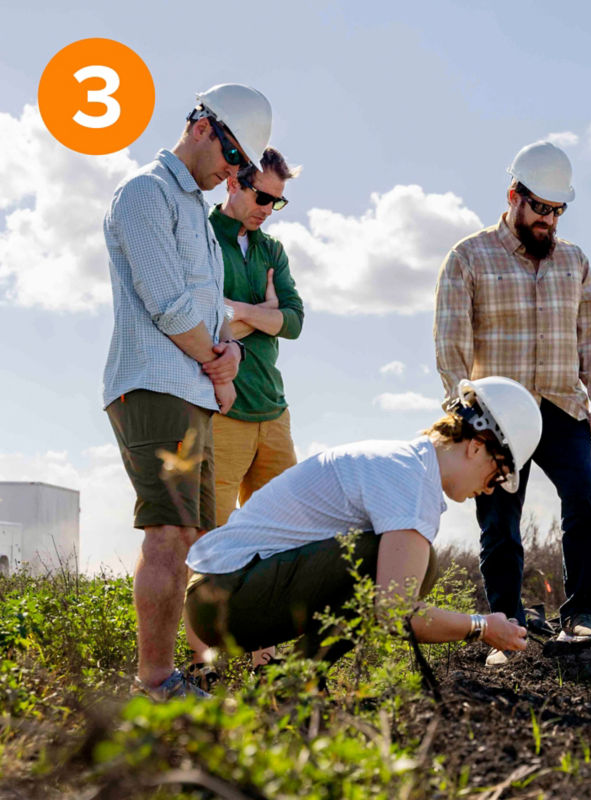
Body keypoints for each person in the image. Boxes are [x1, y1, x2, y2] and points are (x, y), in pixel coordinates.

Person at [102, 83, 272, 699]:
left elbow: (207, 311)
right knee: (169, 534)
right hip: (153, 387)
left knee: (201, 538)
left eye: (244, 166)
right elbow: (169, 307)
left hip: (190, 390)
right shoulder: (146, 194)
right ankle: (154, 682)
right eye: (233, 156)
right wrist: (219, 364)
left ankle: (206, 663)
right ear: (203, 126)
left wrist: (226, 354)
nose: (235, 171)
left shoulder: (196, 216)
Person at [184, 377, 542, 665]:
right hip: (225, 599)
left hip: (221, 595)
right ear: (477, 446)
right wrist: (482, 627)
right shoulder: (411, 479)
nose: (493, 489)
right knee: (384, 562)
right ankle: (297, 684)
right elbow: (396, 613)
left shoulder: (404, 465)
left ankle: (295, 680)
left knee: (417, 563)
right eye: (499, 473)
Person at [433, 141, 591, 665]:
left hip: (562, 407)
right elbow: (451, 345)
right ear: (514, 195)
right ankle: (505, 633)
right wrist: (462, 415)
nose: (548, 220)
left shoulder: (574, 262)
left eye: (557, 211)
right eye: (540, 208)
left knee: (583, 503)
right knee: (500, 524)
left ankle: (581, 617)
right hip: (497, 416)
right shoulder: (469, 257)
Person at [202, 147, 303, 674]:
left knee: (279, 539)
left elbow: (296, 319)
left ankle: (261, 650)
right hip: (223, 411)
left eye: (277, 201)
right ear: (232, 183)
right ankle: (204, 656)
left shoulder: (273, 250)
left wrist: (242, 314)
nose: (268, 207)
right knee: (211, 537)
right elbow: (206, 319)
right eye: (262, 196)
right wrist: (259, 313)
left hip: (274, 412)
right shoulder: (199, 237)